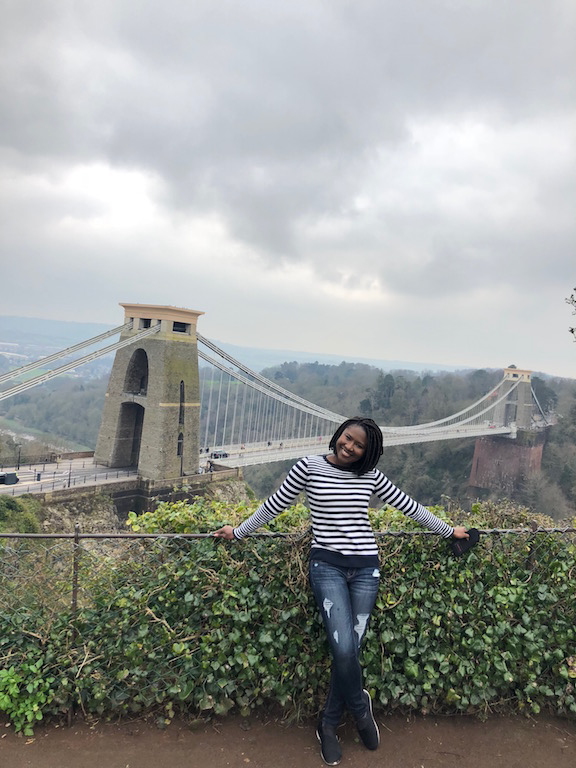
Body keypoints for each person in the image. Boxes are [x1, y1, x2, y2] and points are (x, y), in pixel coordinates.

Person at [214, 417, 469, 766]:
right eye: (347, 439)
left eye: (358, 445)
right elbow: (275, 505)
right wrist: (239, 532)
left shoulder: (370, 476)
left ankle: (329, 724)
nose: (349, 447)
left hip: (366, 569)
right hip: (327, 567)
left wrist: (447, 531)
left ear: (368, 451)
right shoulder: (308, 467)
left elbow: (409, 506)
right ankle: (360, 711)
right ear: (339, 435)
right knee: (344, 647)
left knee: (349, 651)